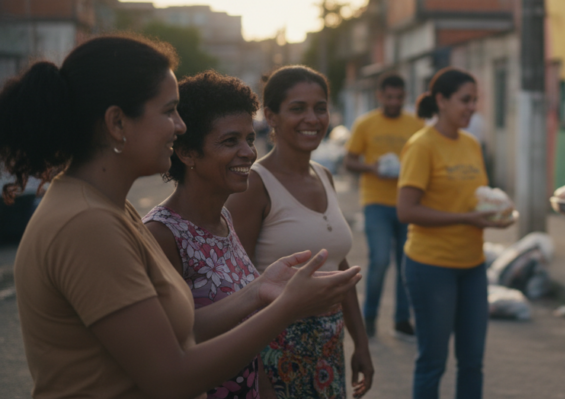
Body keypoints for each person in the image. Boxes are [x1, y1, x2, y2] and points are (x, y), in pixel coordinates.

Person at [0, 35, 360, 399]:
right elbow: (171, 376)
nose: (180, 126)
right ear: (117, 123)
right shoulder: (87, 224)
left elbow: (176, 334)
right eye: (169, 110)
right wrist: (287, 308)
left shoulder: (109, 207)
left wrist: (258, 291)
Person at [227, 65, 372, 399]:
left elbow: (339, 269)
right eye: (297, 108)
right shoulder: (254, 184)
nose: (312, 118)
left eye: (320, 108)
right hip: (276, 350)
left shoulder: (324, 175)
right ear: (271, 116)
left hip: (329, 347)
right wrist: (257, 375)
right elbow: (236, 285)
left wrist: (360, 344)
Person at [142, 71, 274, 398]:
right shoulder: (161, 234)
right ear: (186, 153)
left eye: (249, 139)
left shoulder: (224, 219)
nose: (248, 153)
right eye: (230, 141)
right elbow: (167, 348)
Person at [396, 67, 514, 399]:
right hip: (431, 266)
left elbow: (477, 197)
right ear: (441, 100)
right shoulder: (421, 146)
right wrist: (466, 218)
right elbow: (407, 210)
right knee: (433, 362)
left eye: (475, 100)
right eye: (465, 100)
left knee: (473, 363)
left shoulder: (472, 144)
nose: (472, 107)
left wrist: (496, 212)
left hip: (473, 265)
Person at [344, 74, 423, 340]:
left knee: (406, 264)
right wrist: (372, 168)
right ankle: (370, 316)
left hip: (407, 203)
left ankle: (402, 320)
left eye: (399, 98)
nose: (393, 102)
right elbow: (350, 161)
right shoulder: (365, 124)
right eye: (389, 97)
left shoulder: (415, 124)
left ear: (405, 96)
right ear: (380, 96)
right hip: (375, 202)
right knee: (379, 260)